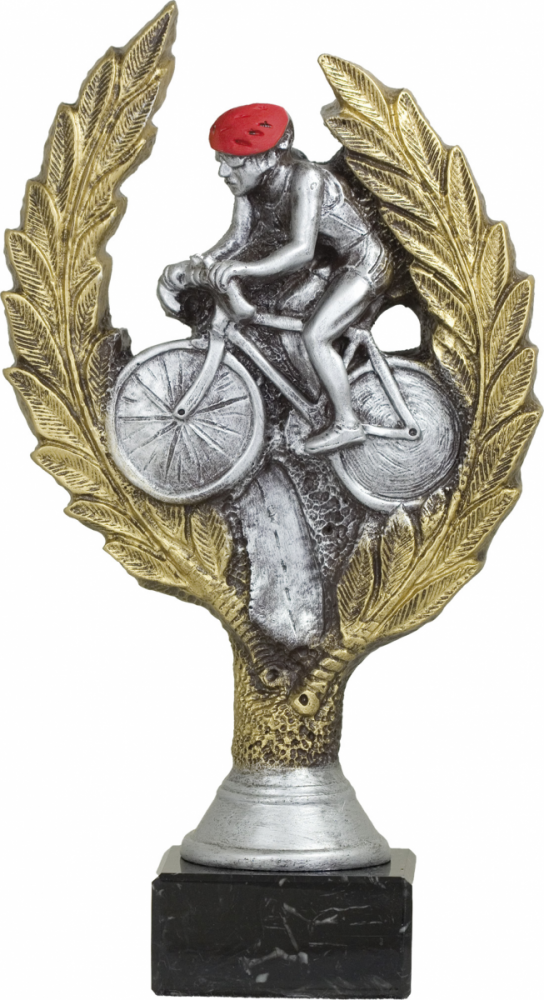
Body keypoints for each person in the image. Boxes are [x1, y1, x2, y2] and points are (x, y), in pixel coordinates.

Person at [159, 103, 392, 455]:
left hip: (362, 263)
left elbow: (300, 249)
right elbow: (237, 239)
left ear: (267, 158)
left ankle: (347, 422)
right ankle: (313, 400)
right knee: (280, 315)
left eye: (234, 162)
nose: (223, 171)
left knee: (316, 334)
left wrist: (243, 270)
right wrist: (199, 264)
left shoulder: (305, 178)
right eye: (220, 160)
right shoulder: (249, 187)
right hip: (327, 264)